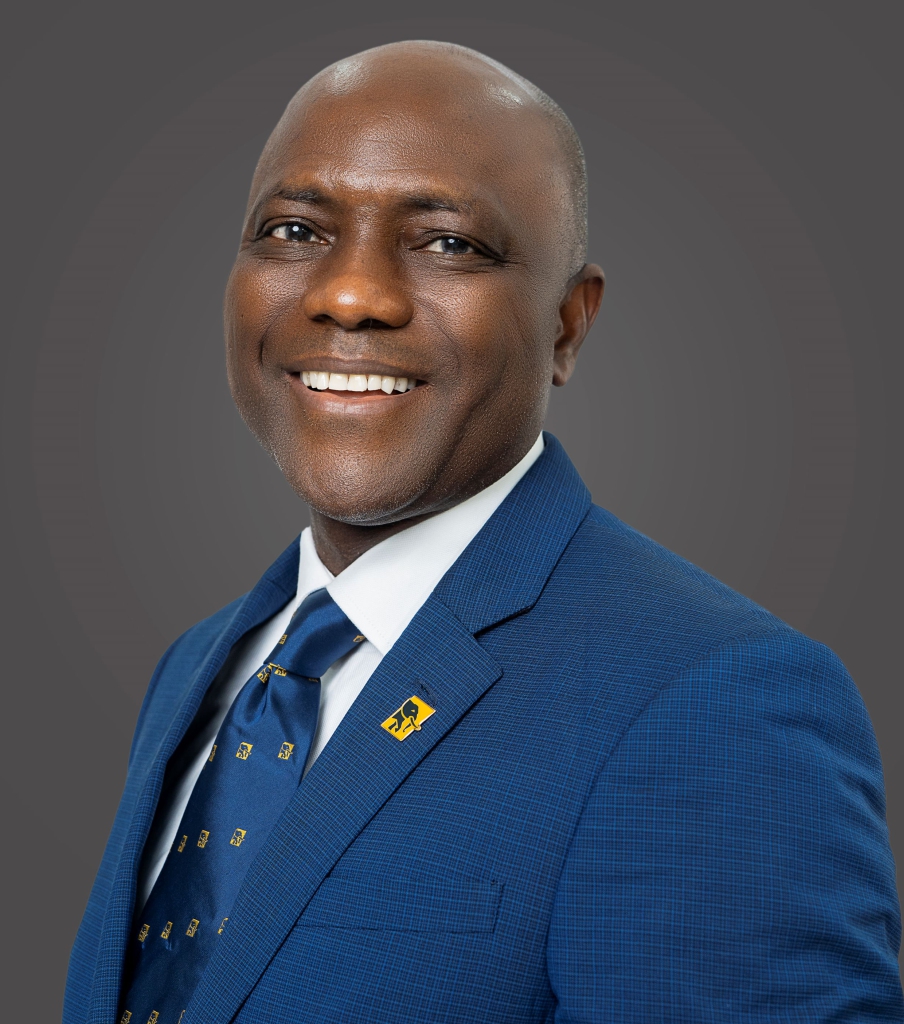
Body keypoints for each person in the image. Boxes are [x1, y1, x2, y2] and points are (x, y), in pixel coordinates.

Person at [64, 40, 903, 1024]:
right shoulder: (204, 669)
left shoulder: (714, 703)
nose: (350, 295)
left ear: (567, 326)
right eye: (294, 230)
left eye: (449, 244)